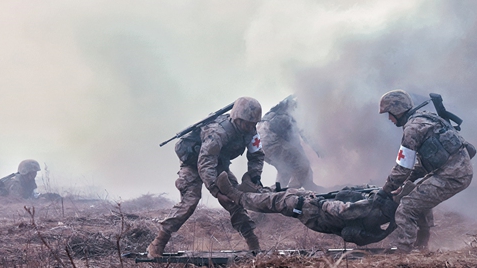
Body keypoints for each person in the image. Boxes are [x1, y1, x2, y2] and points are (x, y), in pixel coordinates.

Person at [148, 97, 265, 257]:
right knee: (190, 201)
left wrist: (255, 176)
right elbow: (205, 162)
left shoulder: (251, 132)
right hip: (194, 163)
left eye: (254, 124)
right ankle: (158, 244)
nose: (251, 127)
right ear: (237, 119)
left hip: (218, 165)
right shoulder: (218, 132)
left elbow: (257, 155)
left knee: (235, 201)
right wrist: (217, 192)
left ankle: (253, 245)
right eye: (247, 123)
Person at [377, 90, 474, 253]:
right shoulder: (424, 119)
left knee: (406, 207)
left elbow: (402, 168)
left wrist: (384, 192)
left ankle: (403, 255)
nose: (390, 119)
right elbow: (425, 161)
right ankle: (422, 247)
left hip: (453, 176)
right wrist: (409, 181)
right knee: (414, 195)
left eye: (389, 114)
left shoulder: (412, 129)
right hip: (453, 171)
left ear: (397, 109)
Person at [215, 171, 398, 246]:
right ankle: (255, 191)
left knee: (278, 201)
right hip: (316, 210)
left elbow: (343, 210)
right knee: (289, 192)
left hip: (313, 212)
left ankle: (237, 196)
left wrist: (320, 203)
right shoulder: (381, 218)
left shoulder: (372, 208)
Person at [257, 95, 319, 190]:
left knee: (286, 169)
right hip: (271, 138)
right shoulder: (296, 109)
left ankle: (276, 193)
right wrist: (318, 149)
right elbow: (302, 133)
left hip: (260, 140)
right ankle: (292, 193)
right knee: (302, 164)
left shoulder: (282, 108)